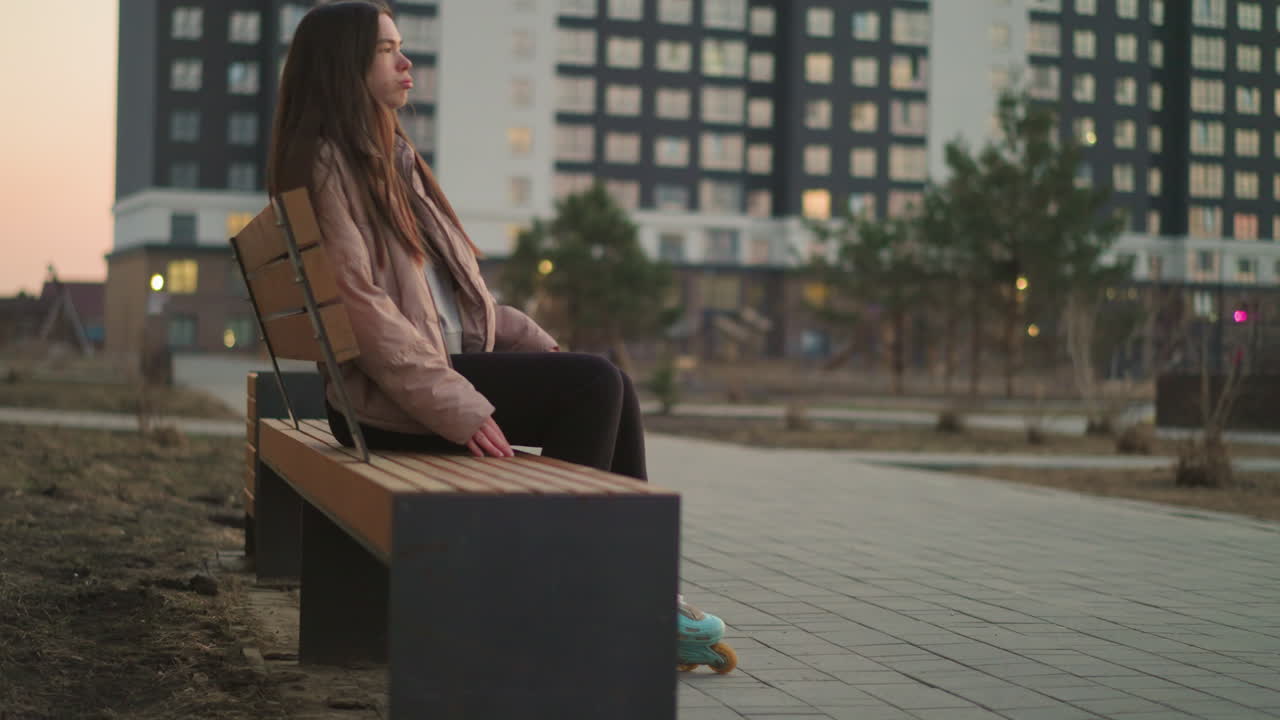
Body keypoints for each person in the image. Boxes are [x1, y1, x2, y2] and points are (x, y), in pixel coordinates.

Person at [266, 0, 734, 673]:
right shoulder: (328, 164)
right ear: (343, 65)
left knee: (606, 382)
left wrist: (539, 347)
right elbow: (362, 312)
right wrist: (458, 403)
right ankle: (575, 605)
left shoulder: (387, 161)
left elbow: (459, 302)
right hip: (384, 397)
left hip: (414, 377)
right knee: (595, 386)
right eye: (385, 50)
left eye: (402, 46)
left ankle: (640, 594)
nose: (406, 62)